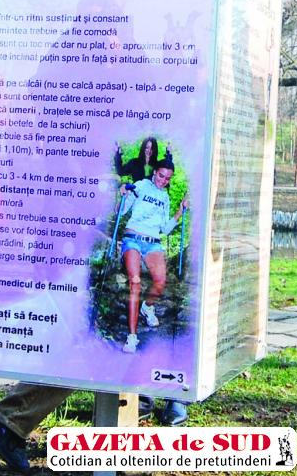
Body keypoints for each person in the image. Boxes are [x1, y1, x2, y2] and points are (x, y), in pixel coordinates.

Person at [115, 140, 188, 425]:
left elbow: (165, 228)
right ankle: (132, 336)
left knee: (160, 282)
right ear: (154, 172)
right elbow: (124, 210)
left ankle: (147, 307)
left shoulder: (165, 197)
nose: (163, 180)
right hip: (133, 238)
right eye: (161, 175)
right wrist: (124, 194)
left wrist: (180, 211)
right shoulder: (141, 186)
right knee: (135, 282)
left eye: (167, 178)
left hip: (153, 242)